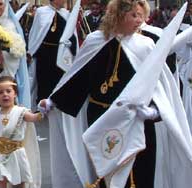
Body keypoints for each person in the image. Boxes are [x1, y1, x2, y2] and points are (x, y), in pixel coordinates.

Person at [37, 0, 170, 187]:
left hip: (135, 120)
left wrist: (154, 111)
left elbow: (160, 86)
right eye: (134, 15)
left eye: (141, 15)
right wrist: (53, 101)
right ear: (117, 15)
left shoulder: (146, 45)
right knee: (105, 167)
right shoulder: (96, 41)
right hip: (101, 117)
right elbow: (79, 78)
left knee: (140, 170)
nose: (140, 20)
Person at [0, 76, 42, 188]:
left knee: (19, 185)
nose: (5, 94)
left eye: (8, 91)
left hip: (16, 154)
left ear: (15, 94)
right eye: (0, 92)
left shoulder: (20, 112)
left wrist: (43, 110)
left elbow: (34, 117)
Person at [28, 0, 78, 106]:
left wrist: (71, 45)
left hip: (60, 55)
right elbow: (36, 33)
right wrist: (31, 51)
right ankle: (41, 108)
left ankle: (56, 107)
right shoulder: (41, 12)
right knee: (44, 83)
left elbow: (72, 35)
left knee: (58, 83)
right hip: (44, 55)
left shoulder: (66, 14)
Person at [0, 0, 31, 108]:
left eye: (0, 4)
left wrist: (6, 48)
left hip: (7, 72)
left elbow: (19, 49)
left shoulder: (11, 24)